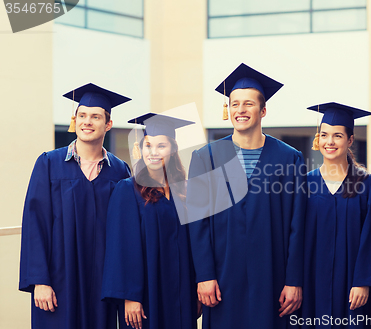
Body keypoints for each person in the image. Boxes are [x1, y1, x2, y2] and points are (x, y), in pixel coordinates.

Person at [187, 63, 307, 329]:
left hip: (273, 278)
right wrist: (204, 275)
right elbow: (197, 223)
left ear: (263, 110)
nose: (240, 110)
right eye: (234, 104)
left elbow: (298, 224)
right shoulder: (205, 158)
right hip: (222, 277)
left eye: (248, 104)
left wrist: (294, 279)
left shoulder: (289, 158)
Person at [19, 83, 131, 329]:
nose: (87, 122)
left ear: (108, 124)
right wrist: (39, 281)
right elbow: (35, 224)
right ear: (75, 120)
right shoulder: (49, 163)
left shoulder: (120, 170)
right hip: (59, 279)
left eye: (95, 116)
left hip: (103, 282)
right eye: (82, 115)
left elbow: (126, 231)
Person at [101, 113, 200, 329]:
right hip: (145, 295)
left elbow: (195, 243)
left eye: (161, 146)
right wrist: (130, 297)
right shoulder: (127, 189)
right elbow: (120, 247)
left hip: (181, 291)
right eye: (147, 145)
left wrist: (195, 289)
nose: (153, 152)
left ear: (173, 149)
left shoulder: (183, 190)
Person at [301, 102, 371, 328]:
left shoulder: (368, 183)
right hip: (312, 282)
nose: (329, 142)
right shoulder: (304, 183)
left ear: (350, 140)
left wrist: (363, 281)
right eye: (324, 135)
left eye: (337, 136)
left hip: (353, 285)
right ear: (318, 139)